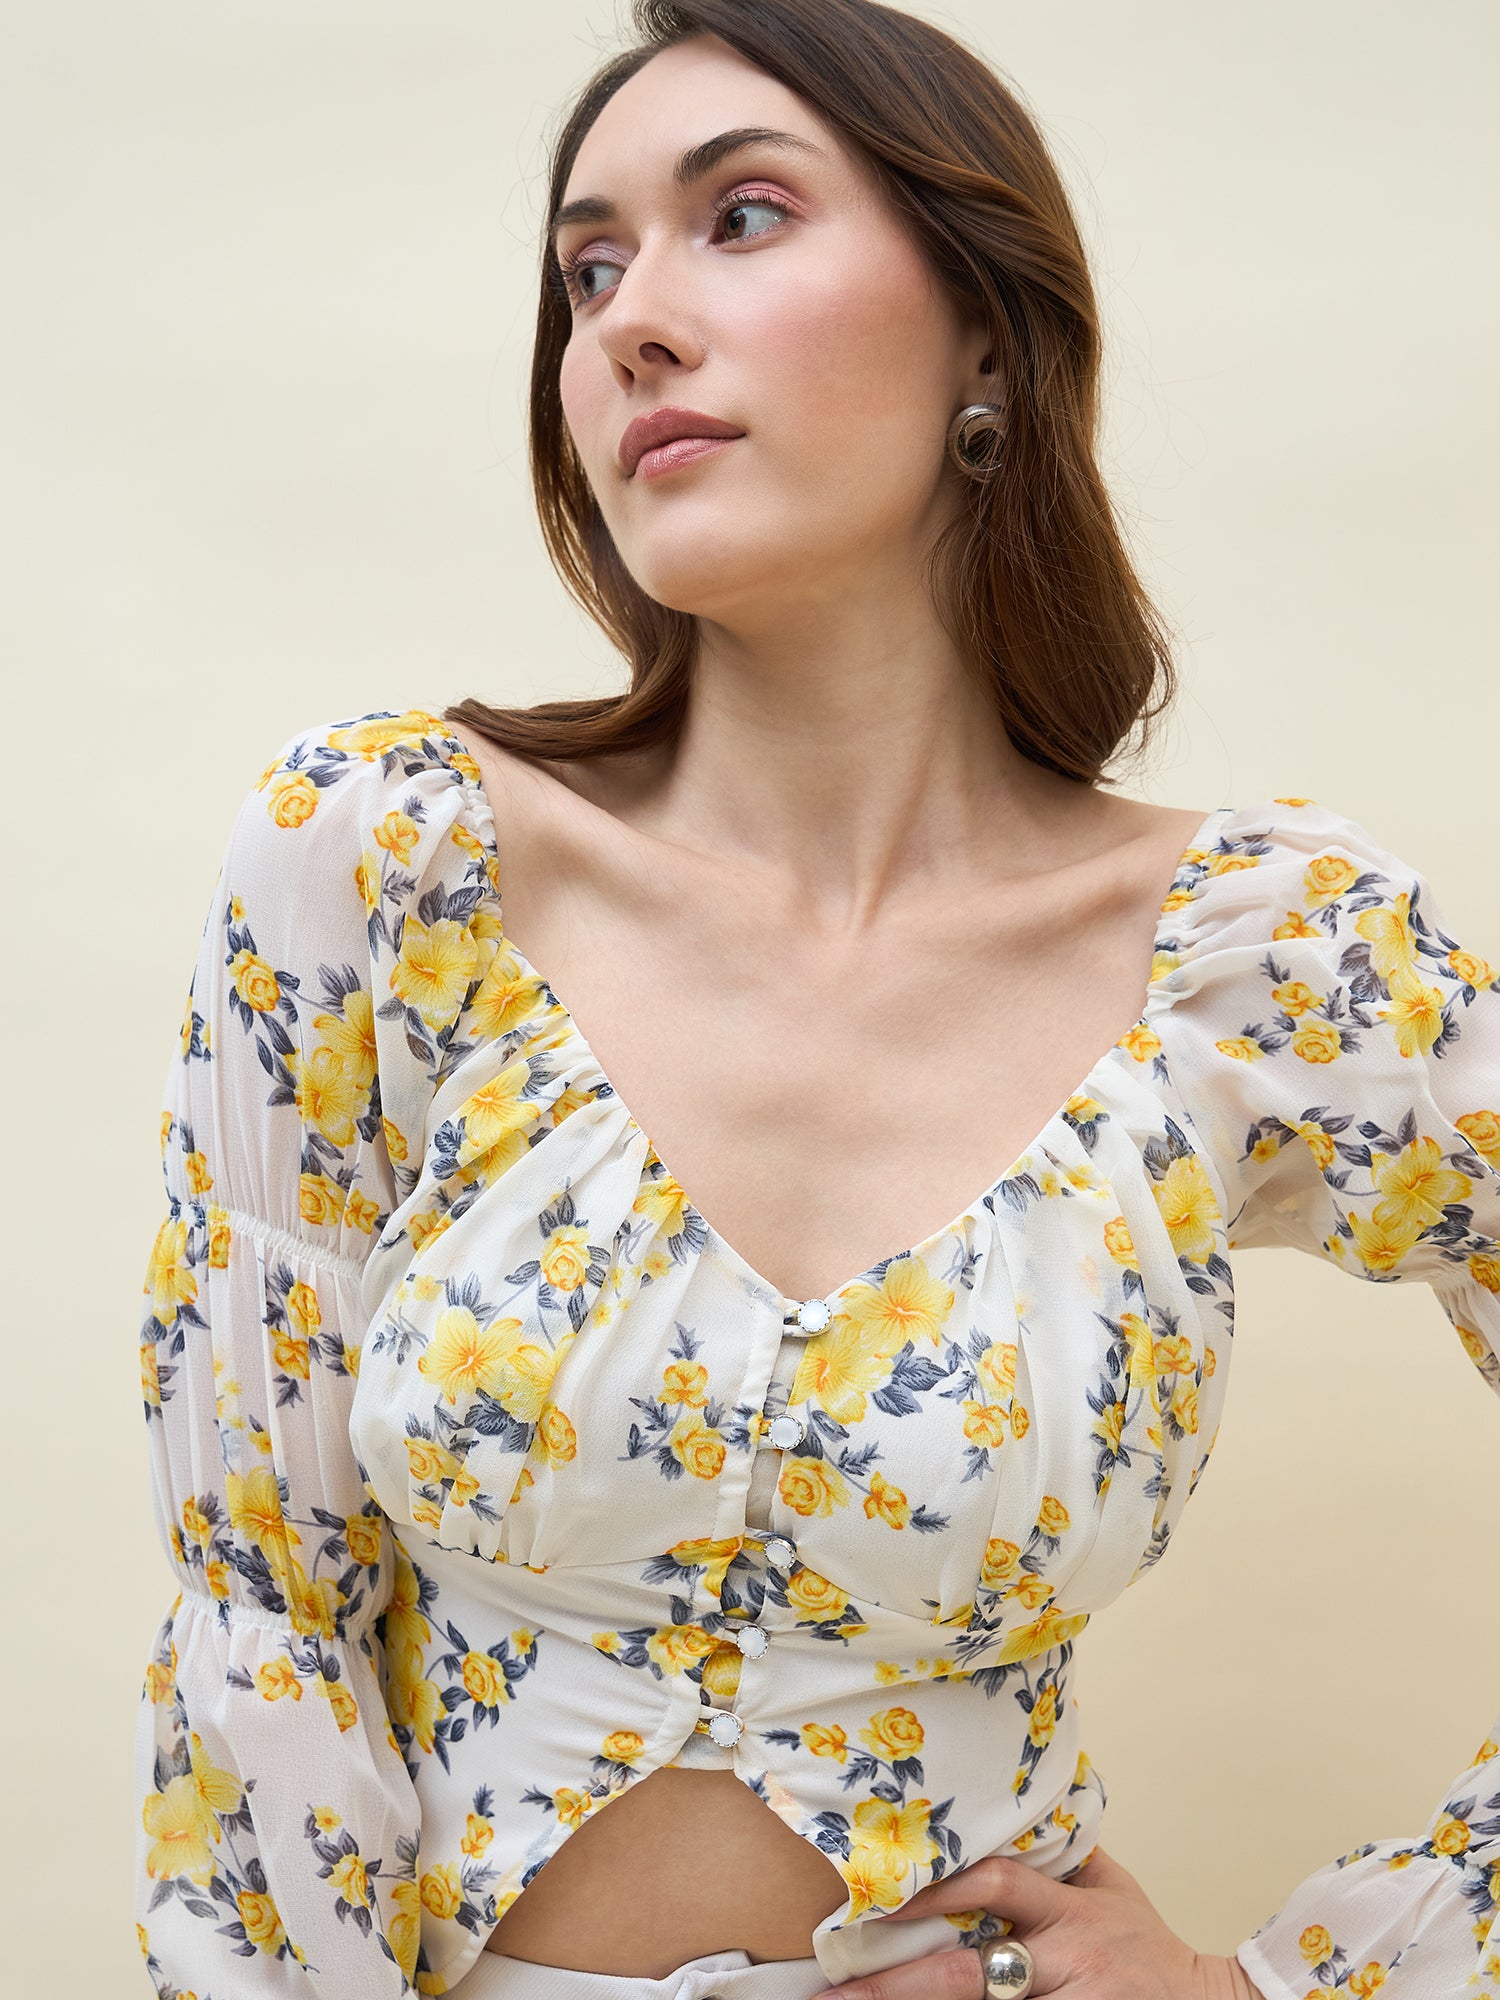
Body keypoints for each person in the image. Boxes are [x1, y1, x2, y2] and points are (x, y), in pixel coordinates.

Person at [132, 3, 1500, 1997]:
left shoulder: (1267, 954)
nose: (628, 323)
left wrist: (1299, 1980)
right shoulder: (387, 860)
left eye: (740, 219)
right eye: (587, 269)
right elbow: (258, 1606)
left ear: (984, 332)